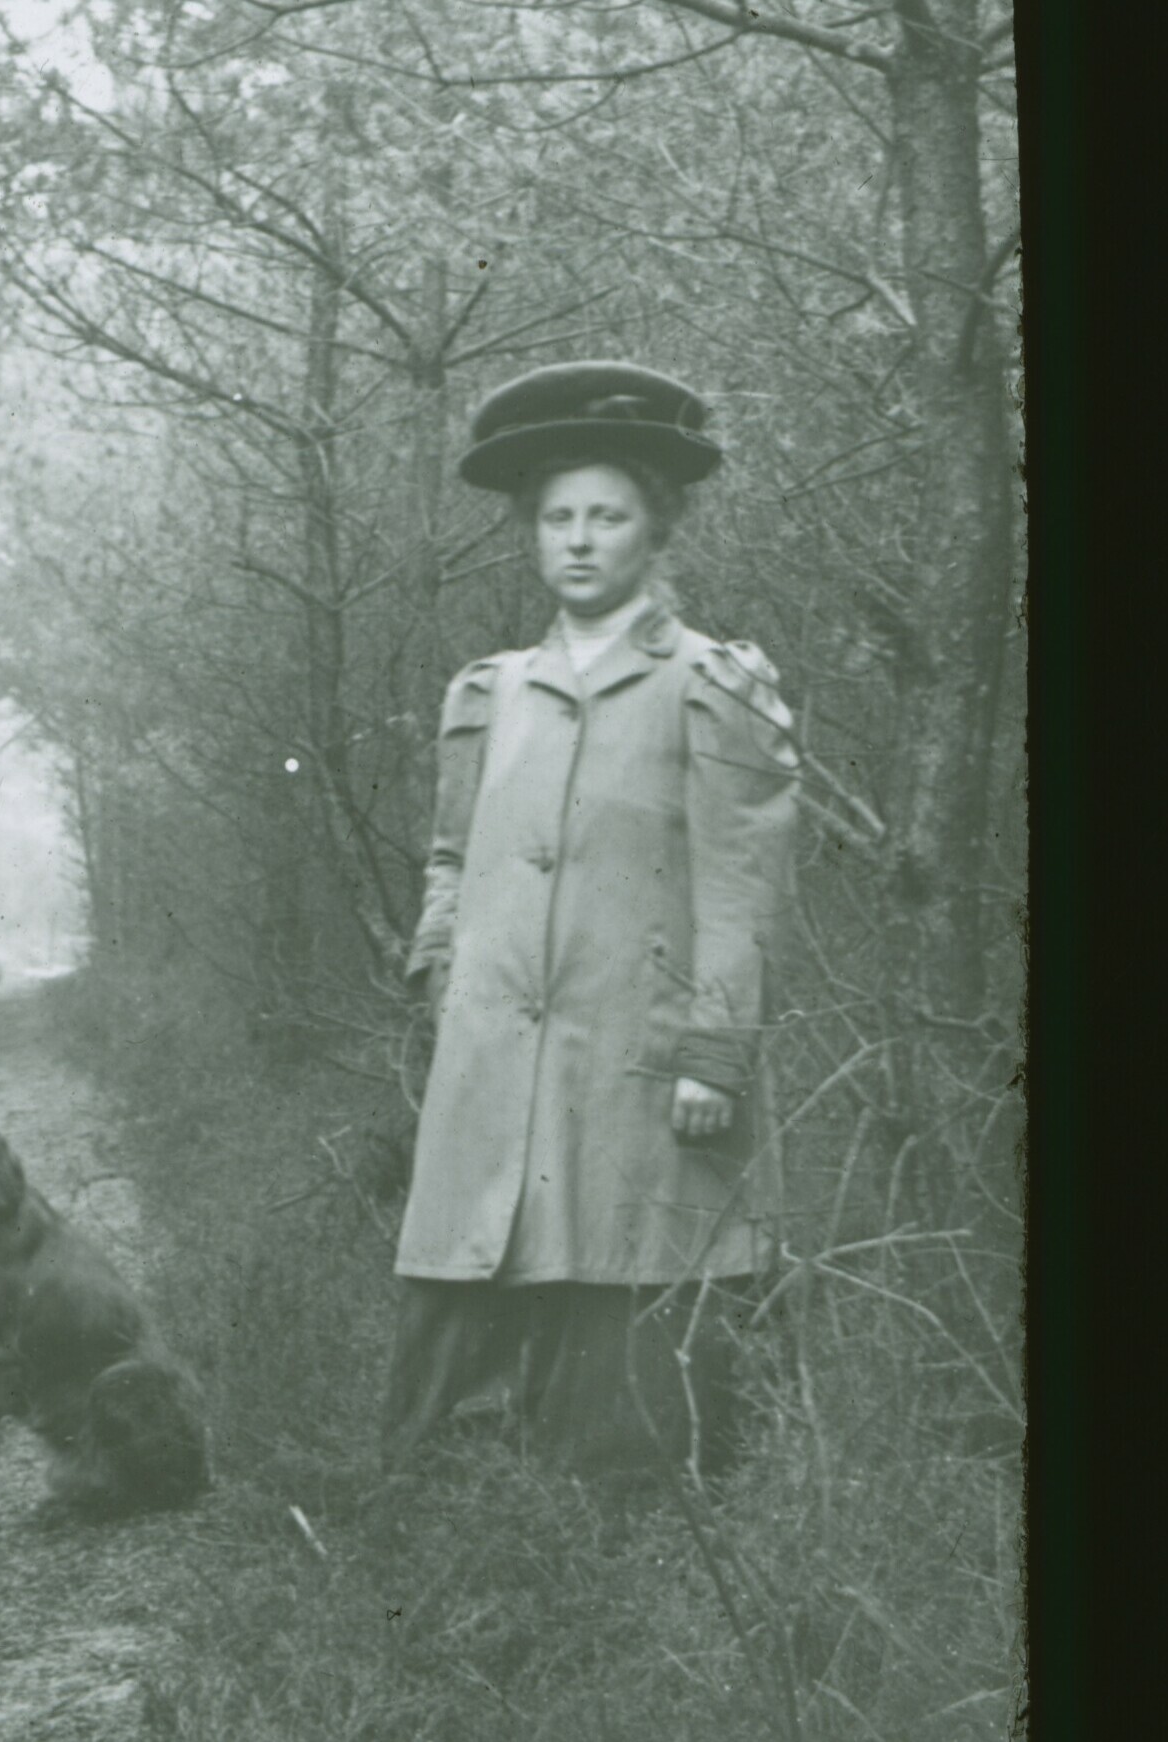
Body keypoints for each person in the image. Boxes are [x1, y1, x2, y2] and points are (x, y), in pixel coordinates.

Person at [382, 363, 801, 1484]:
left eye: (605, 516)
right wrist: (441, 973)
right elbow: (450, 852)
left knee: (621, 1311)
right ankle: (453, 1544)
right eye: (556, 517)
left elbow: (740, 887)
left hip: (636, 1069)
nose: (577, 540)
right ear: (528, 531)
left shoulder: (712, 685)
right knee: (467, 1306)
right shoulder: (487, 691)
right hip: (489, 1070)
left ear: (653, 529)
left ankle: (605, 1557)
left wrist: (712, 1050)